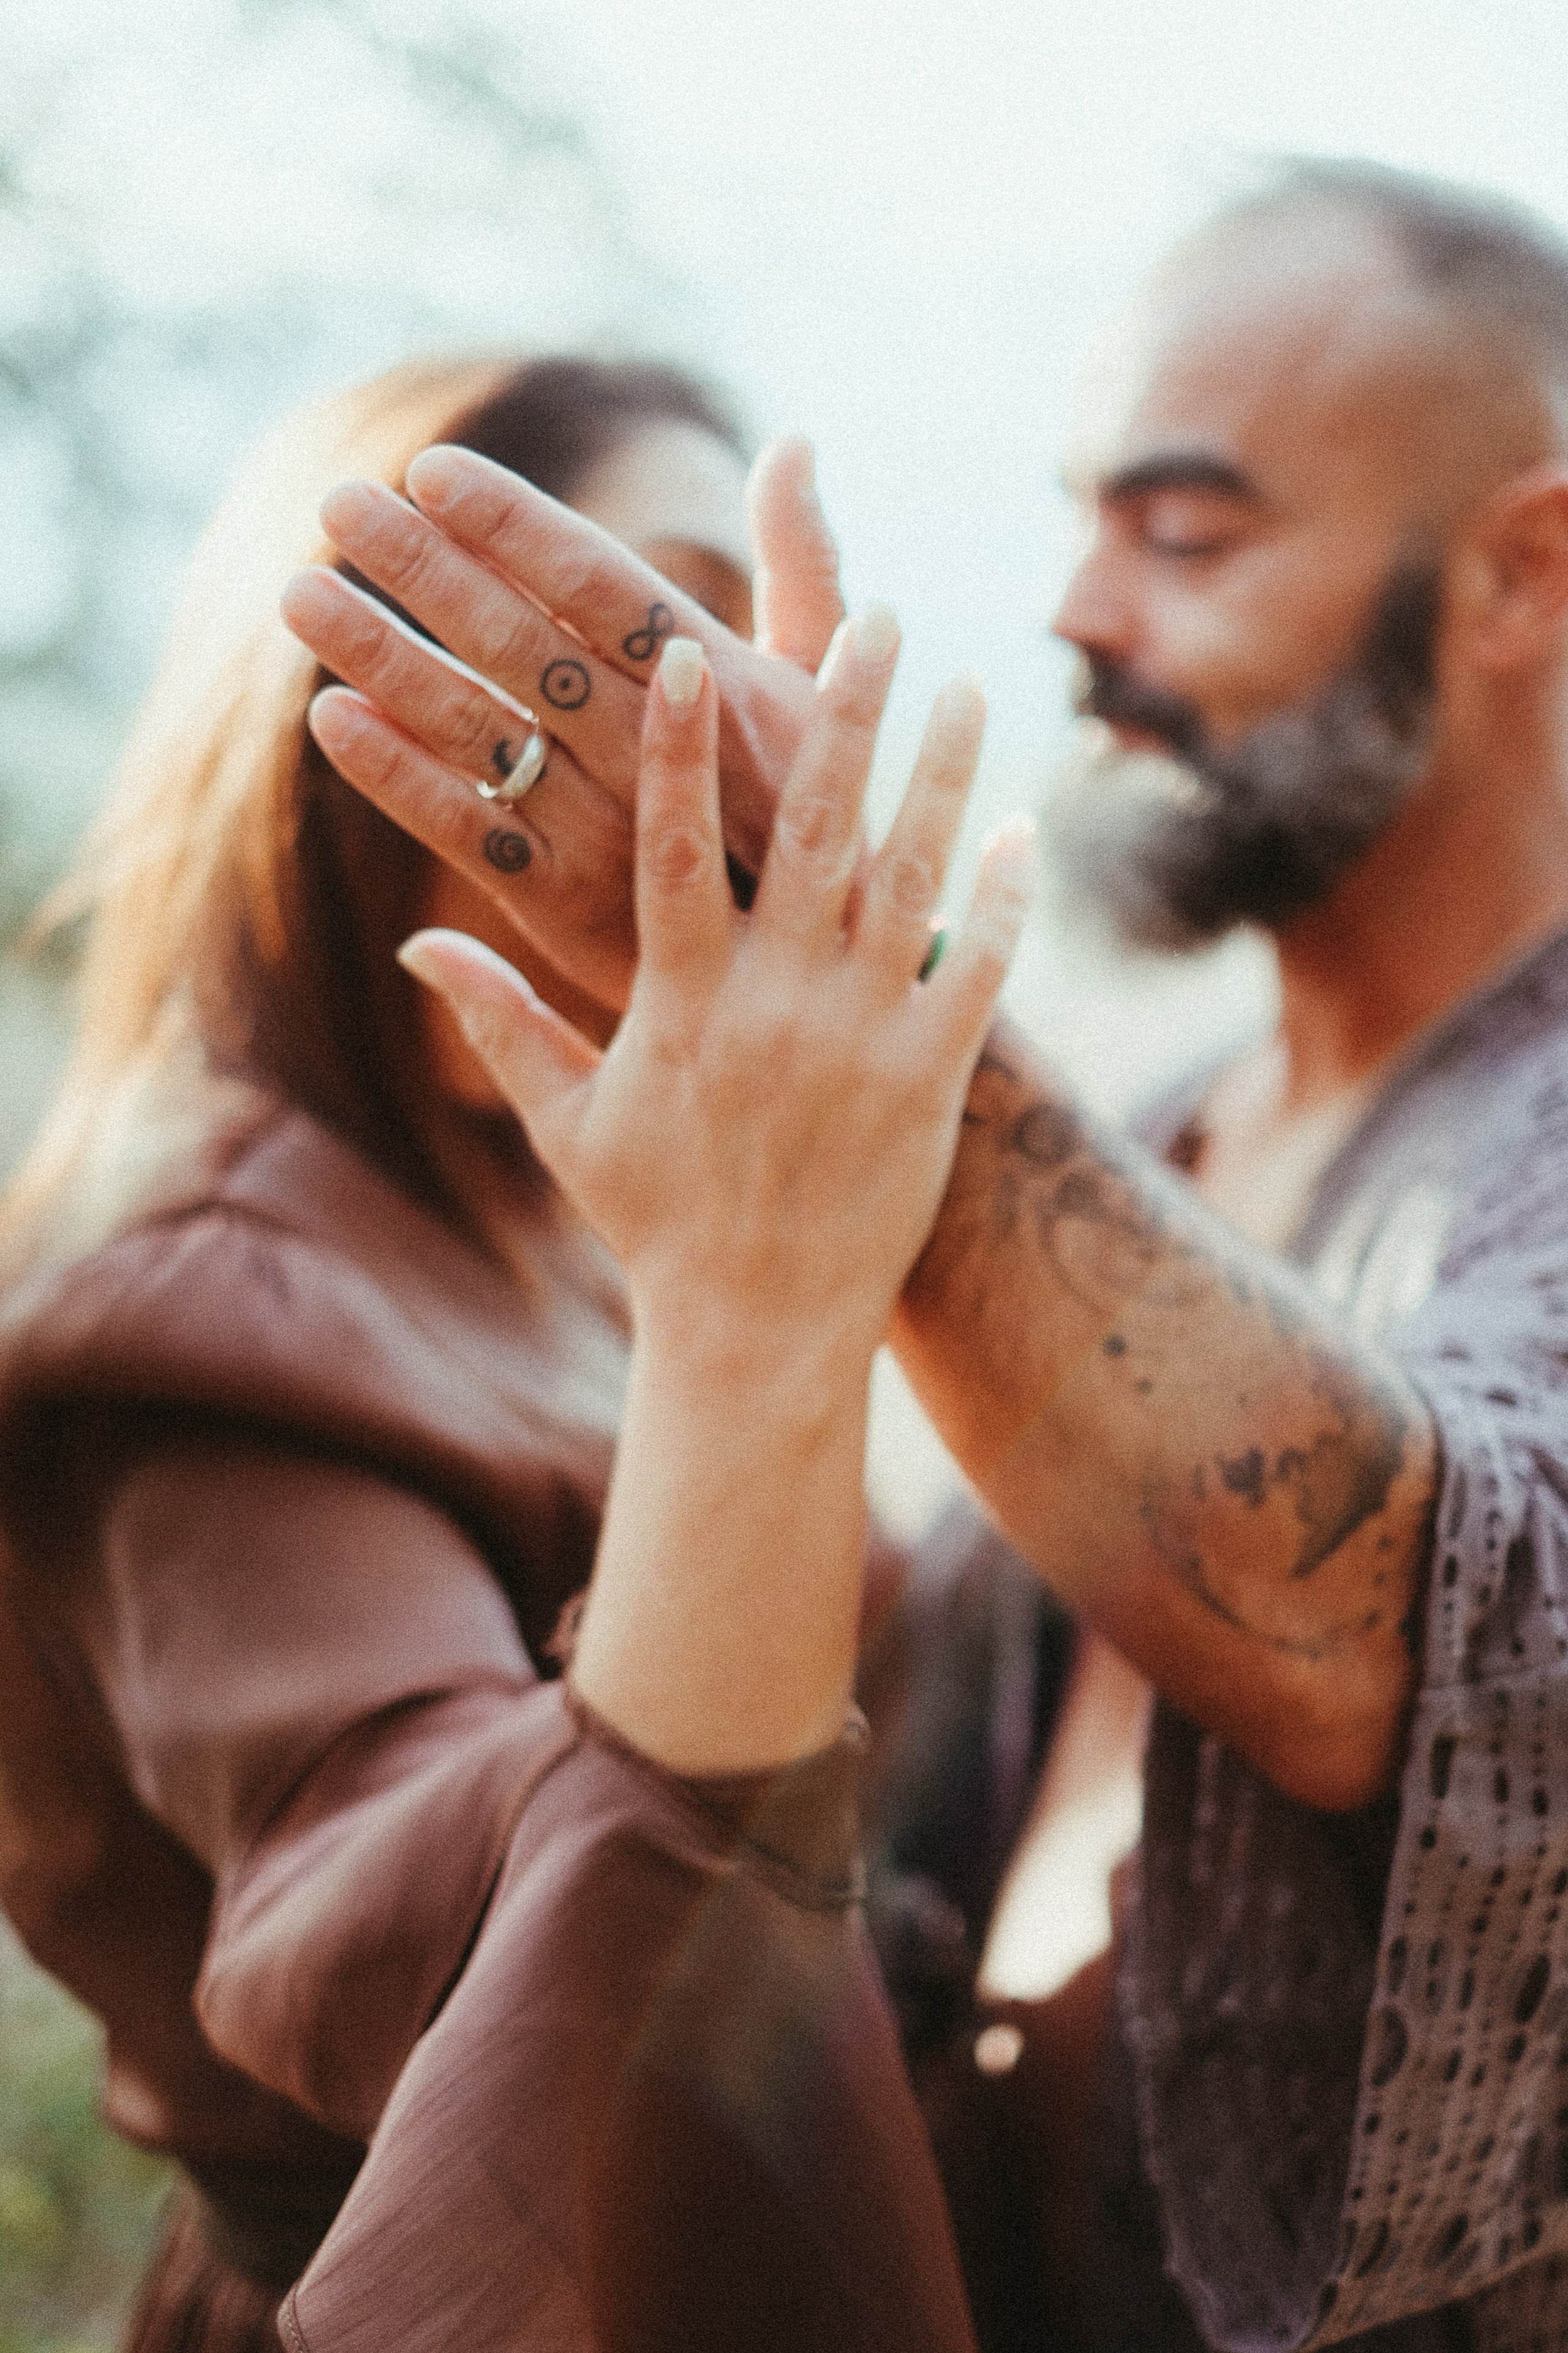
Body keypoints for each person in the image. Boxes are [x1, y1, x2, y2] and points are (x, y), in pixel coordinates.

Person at [291, 159, 1568, 2347]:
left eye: (1184, 533)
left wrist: (863, 1031)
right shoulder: (1175, 1128)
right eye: (1077, 520)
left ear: (1525, 571)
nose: (1077, 607)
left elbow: (1459, 1644)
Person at [0, 350, 987, 2352]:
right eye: (607, 642)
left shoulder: (543, 1183)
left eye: (717, 638)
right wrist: (757, 1329)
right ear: (350, 718)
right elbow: (382, 1950)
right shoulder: (193, 1297)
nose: (695, 729)